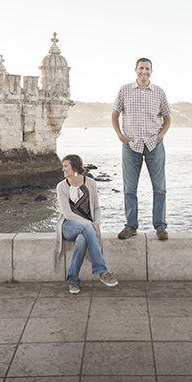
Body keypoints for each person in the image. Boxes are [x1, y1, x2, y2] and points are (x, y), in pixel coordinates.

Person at [112, 57, 172, 240]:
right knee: (130, 188)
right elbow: (114, 116)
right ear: (136, 70)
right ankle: (131, 226)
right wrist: (120, 136)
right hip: (131, 146)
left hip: (154, 145)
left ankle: (160, 226)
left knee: (159, 188)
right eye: (141, 68)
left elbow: (167, 118)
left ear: (151, 71)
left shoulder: (159, 92)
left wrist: (161, 135)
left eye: (147, 69)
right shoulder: (124, 90)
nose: (144, 71)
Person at [55, 154, 117, 294]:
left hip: (85, 229)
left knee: (82, 241)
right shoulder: (61, 187)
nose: (63, 169)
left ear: (75, 167)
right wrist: (90, 223)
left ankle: (72, 280)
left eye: (66, 166)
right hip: (68, 226)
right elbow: (67, 214)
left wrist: (97, 222)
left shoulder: (90, 183)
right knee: (87, 228)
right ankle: (101, 271)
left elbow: (96, 208)